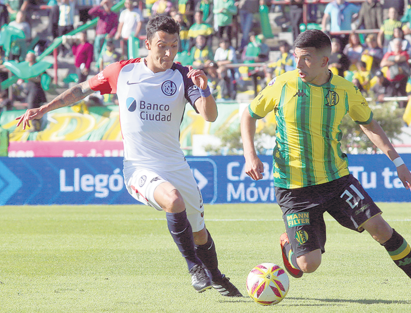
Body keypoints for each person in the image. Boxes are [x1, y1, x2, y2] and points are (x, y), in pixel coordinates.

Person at [15, 15, 242, 297]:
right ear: (147, 44)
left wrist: (205, 88)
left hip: (176, 165)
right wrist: (44, 108)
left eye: (174, 45)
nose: (169, 52)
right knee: (172, 199)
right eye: (162, 45)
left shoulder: (183, 75)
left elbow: (209, 116)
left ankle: (217, 276)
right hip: (139, 167)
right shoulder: (122, 72)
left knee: (199, 233)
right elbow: (80, 90)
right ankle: (193, 267)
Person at [240, 29, 411, 304]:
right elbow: (249, 115)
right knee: (307, 266)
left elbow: (369, 123)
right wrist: (250, 155)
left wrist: (398, 162)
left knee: (380, 229)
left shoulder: (345, 90)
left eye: (306, 59)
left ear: (325, 62)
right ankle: (290, 244)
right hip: (294, 188)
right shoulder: (283, 85)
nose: (298, 65)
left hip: (336, 180)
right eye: (296, 58)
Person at [380, 37, 410, 107]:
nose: (397, 46)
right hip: (391, 81)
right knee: (390, 99)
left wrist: (390, 60)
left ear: (401, 45)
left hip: (402, 81)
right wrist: (394, 63)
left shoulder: (404, 53)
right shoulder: (389, 53)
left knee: (402, 100)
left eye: (399, 44)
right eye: (396, 44)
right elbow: (382, 63)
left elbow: (399, 58)